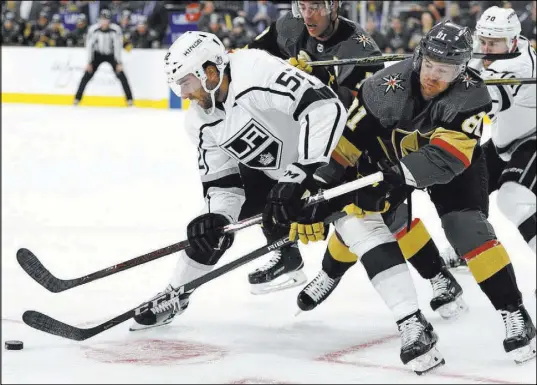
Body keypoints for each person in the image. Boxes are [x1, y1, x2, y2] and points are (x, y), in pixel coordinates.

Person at [286, 20, 537, 366]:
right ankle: (331, 272)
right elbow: (349, 141)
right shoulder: (382, 86)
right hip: (393, 161)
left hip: (456, 171)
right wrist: (321, 182)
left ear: (462, 70)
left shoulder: (472, 93)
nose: (434, 76)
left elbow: (447, 157)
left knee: (467, 232)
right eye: (430, 65)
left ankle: (515, 312)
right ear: (419, 57)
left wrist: (391, 180)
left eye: (446, 69)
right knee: (367, 217)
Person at [129, 31, 347, 332]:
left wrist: (302, 174)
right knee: (212, 231)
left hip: (337, 161)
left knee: (371, 228)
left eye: (186, 83)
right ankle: (177, 293)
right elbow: (222, 182)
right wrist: (218, 215)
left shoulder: (255, 71)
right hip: (282, 178)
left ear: (209, 72)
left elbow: (325, 107)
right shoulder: (198, 121)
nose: (183, 94)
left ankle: (425, 287)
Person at [243, 0, 384, 295]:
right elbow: (247, 60)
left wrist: (317, 80)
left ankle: (429, 275)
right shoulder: (288, 26)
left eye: (316, 7)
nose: (308, 15)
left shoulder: (361, 49)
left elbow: (360, 115)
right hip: (299, 131)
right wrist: (280, 69)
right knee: (253, 159)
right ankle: (284, 251)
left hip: (341, 141)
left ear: (335, 7)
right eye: (303, 6)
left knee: (370, 219)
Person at [441, 7, 536, 279]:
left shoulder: (517, 67)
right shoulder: (504, 50)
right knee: (464, 179)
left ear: (513, 41)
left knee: (513, 198)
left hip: (531, 139)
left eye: (493, 44)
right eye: (483, 42)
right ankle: (469, 246)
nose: (486, 49)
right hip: (507, 141)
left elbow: (487, 102)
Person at [73, 9, 133, 107]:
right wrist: (89, 62)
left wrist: (118, 62)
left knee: (122, 76)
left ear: (109, 21)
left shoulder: (115, 29)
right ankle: (77, 99)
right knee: (86, 76)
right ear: (99, 20)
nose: (104, 22)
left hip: (111, 55)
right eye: (102, 20)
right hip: (97, 55)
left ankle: (129, 99)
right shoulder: (93, 29)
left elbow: (118, 46)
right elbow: (89, 46)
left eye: (106, 20)